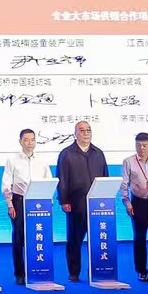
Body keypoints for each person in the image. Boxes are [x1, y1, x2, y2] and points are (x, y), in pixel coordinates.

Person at [55, 121, 108, 283]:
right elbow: (62, 179)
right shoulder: (67, 154)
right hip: (75, 204)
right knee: (74, 240)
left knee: (98, 239)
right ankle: (74, 272)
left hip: (97, 205)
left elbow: (105, 177)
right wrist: (64, 200)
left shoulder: (98, 153)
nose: (86, 133)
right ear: (75, 134)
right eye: (82, 130)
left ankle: (98, 270)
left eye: (88, 130)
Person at [3, 128, 52, 286]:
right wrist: (10, 204)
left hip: (39, 203)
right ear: (20, 142)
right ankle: (19, 274)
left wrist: (48, 203)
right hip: (19, 201)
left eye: (32, 139)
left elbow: (49, 182)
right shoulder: (12, 160)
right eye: (26, 140)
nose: (30, 143)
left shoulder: (42, 161)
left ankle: (38, 270)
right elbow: (6, 184)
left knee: (38, 236)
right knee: (19, 238)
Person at [120, 132, 148, 282]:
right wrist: (127, 203)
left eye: (144, 145)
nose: (141, 148)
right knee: (140, 238)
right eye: (138, 145)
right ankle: (142, 271)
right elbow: (124, 184)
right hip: (139, 203)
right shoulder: (128, 161)